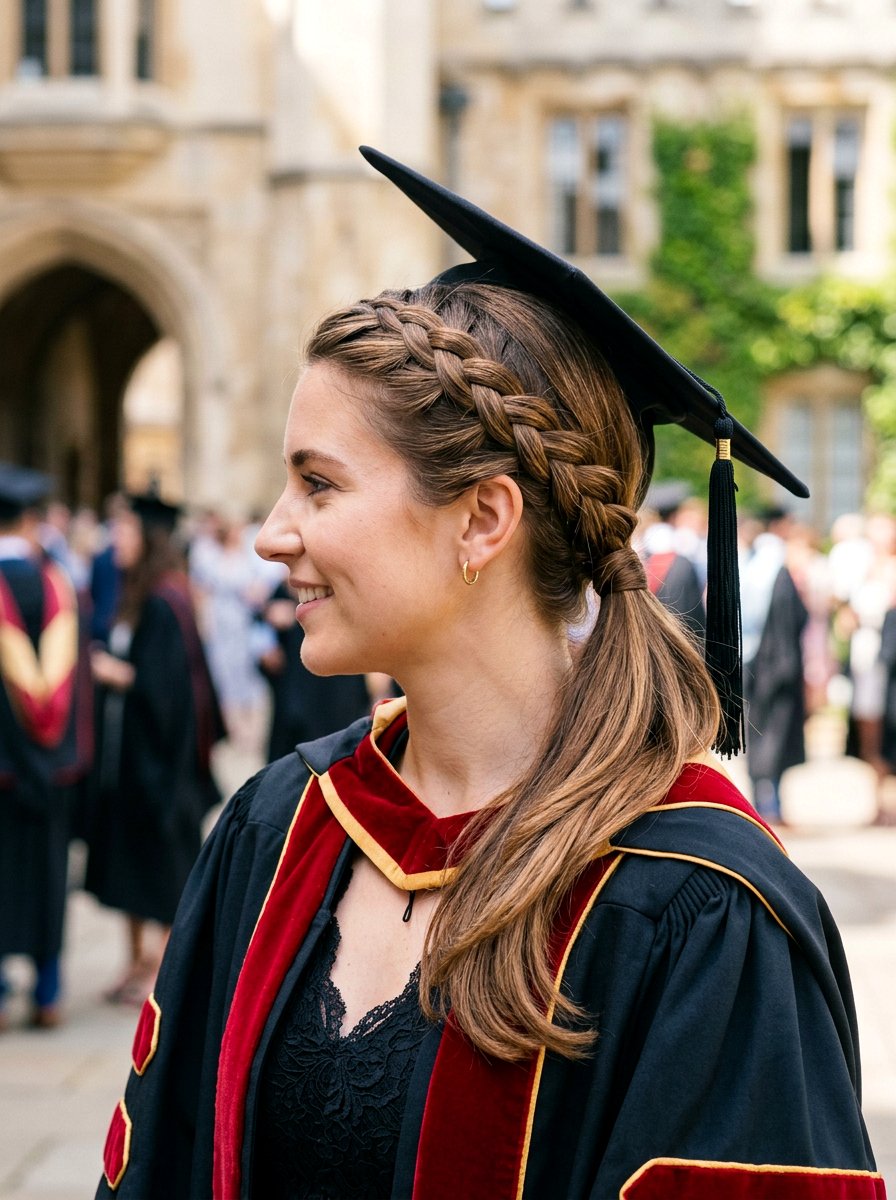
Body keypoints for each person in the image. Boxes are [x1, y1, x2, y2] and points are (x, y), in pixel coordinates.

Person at [97, 151, 885, 1199]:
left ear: (480, 520)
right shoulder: (279, 825)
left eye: (317, 484)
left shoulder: (695, 906)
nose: (272, 535)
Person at [85, 493, 225, 1007]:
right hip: (130, 760)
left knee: (162, 866)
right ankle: (136, 960)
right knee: (130, 864)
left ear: (147, 538)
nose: (113, 539)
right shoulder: (137, 594)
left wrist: (115, 675)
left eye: (122, 531)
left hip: (159, 765)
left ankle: (162, 968)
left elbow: (168, 692)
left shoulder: (166, 600)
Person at [0, 465, 91, 1029]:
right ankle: (49, 991)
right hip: (53, 768)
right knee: (49, 874)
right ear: (33, 522)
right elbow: (73, 686)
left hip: (2, 771)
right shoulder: (60, 586)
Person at [740, 507, 809, 824]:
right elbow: (794, 620)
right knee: (777, 736)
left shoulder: (747, 565)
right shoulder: (779, 570)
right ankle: (775, 805)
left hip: (750, 663)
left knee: (755, 733)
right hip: (779, 668)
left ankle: (758, 801)